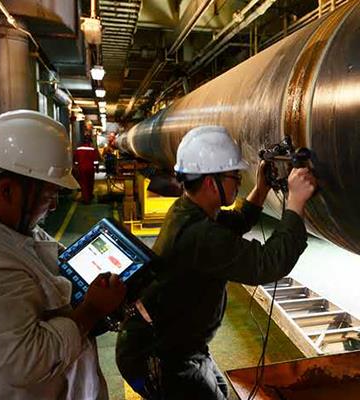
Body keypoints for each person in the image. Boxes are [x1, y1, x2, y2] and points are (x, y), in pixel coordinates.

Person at [116, 125, 316, 399]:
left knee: (218, 391)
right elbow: (268, 263)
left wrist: (261, 188)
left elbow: (235, 222)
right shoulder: (199, 235)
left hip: (175, 341)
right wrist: (295, 203)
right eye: (235, 176)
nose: (238, 181)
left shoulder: (188, 209)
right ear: (212, 183)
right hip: (159, 355)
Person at [0, 110, 126, 399]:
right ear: (7, 190)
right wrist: (92, 310)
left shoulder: (8, 226)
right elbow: (27, 361)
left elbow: (49, 257)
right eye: (48, 196)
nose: (53, 207)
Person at [73, 135, 100, 204]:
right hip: (90, 169)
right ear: (90, 142)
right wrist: (97, 169)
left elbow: (75, 161)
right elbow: (96, 161)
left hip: (81, 169)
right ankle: (90, 196)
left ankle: (85, 198)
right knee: (90, 182)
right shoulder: (93, 149)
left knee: (83, 183)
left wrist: (76, 168)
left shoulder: (78, 150)